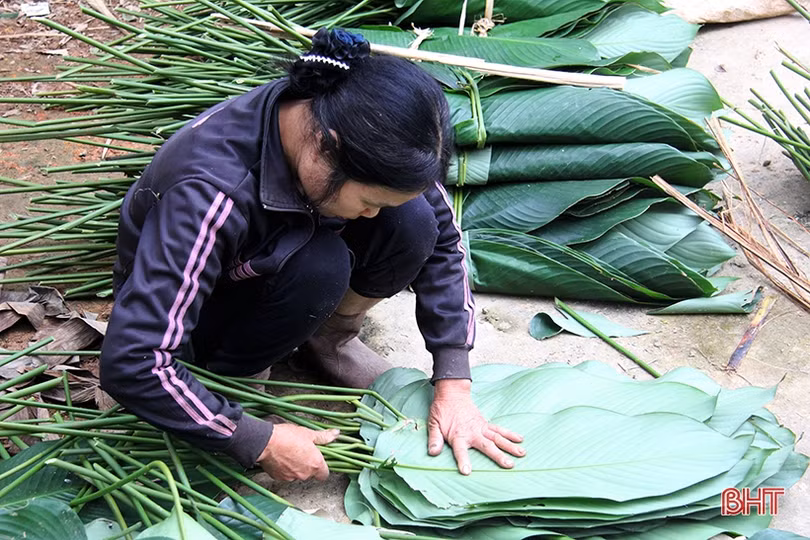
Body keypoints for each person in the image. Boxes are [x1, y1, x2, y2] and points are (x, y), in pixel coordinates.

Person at [100, 28, 524, 483]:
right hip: (205, 310)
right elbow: (133, 361)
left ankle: (330, 340)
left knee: (415, 222)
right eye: (371, 200)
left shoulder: (360, 126)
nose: (371, 213)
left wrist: (454, 379)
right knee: (321, 268)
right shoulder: (208, 193)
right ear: (329, 148)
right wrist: (254, 439)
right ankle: (236, 375)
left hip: (281, 240)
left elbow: (443, 241)